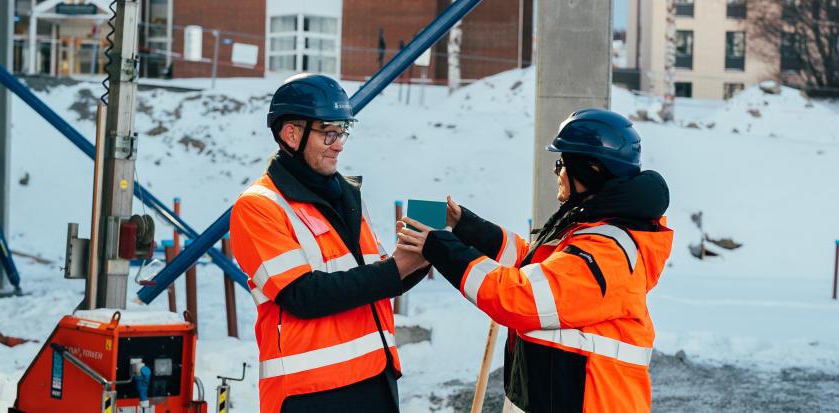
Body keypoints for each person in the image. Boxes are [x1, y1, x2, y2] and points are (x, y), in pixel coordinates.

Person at [396, 108, 673, 412]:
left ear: (591, 169)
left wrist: (441, 248)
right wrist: (467, 226)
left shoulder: (607, 251)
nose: (556, 171)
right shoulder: (594, 229)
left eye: (562, 163)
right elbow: (535, 263)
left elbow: (522, 297)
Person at [229, 73, 429, 413]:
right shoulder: (259, 206)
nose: (339, 144)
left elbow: (376, 281)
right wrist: (396, 269)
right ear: (291, 134)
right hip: (311, 394)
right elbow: (303, 295)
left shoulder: (348, 197)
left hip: (375, 381)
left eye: (343, 131)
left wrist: (422, 256)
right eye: (328, 133)